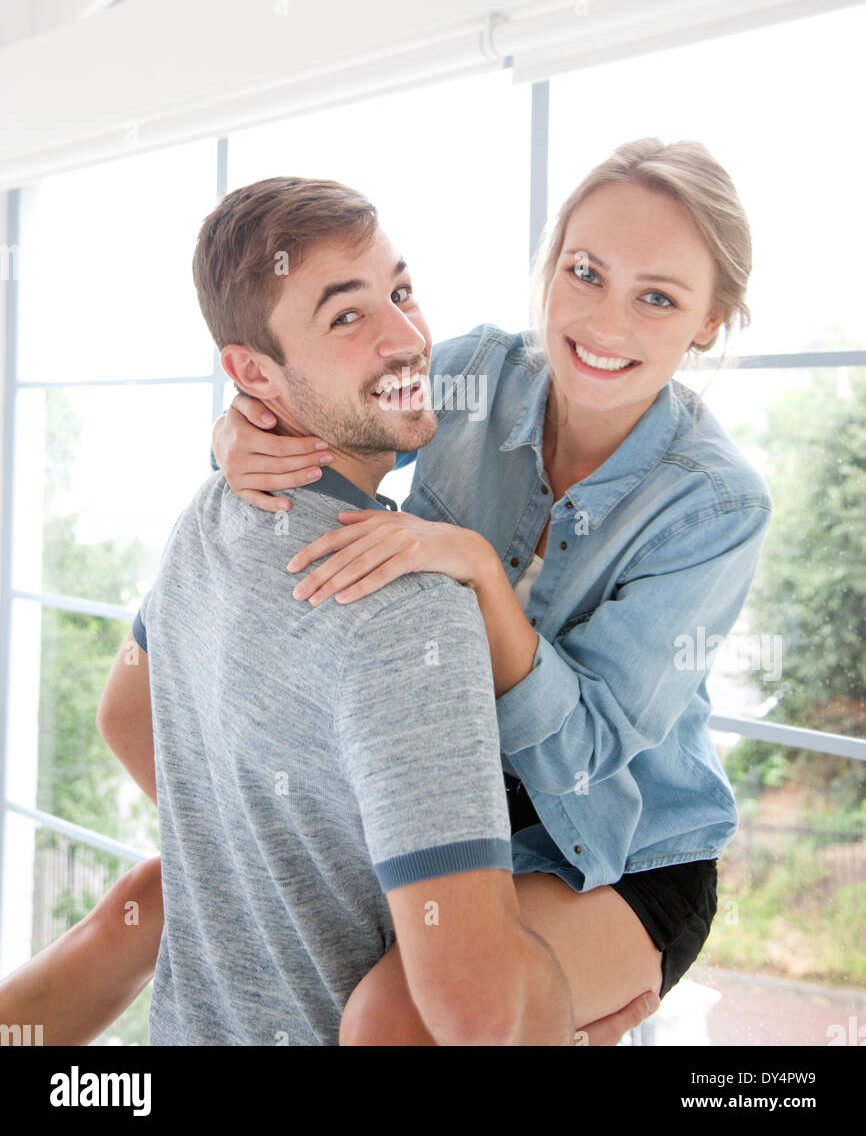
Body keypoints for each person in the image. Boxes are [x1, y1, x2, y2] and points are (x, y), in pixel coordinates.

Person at [0, 173, 658, 1047]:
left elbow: (125, 716)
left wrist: (254, 867)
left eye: (401, 290)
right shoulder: (411, 612)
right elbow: (484, 1012)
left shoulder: (212, 515)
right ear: (252, 374)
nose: (407, 337)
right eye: (346, 317)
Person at [213, 137, 773, 1041]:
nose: (603, 323)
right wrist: (238, 432)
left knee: (392, 1024)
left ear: (709, 321)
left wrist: (478, 568)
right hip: (457, 805)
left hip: (623, 847)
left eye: (658, 297)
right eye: (585, 272)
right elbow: (332, 405)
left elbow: (589, 753)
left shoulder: (716, 504)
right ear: (550, 267)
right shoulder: (474, 370)